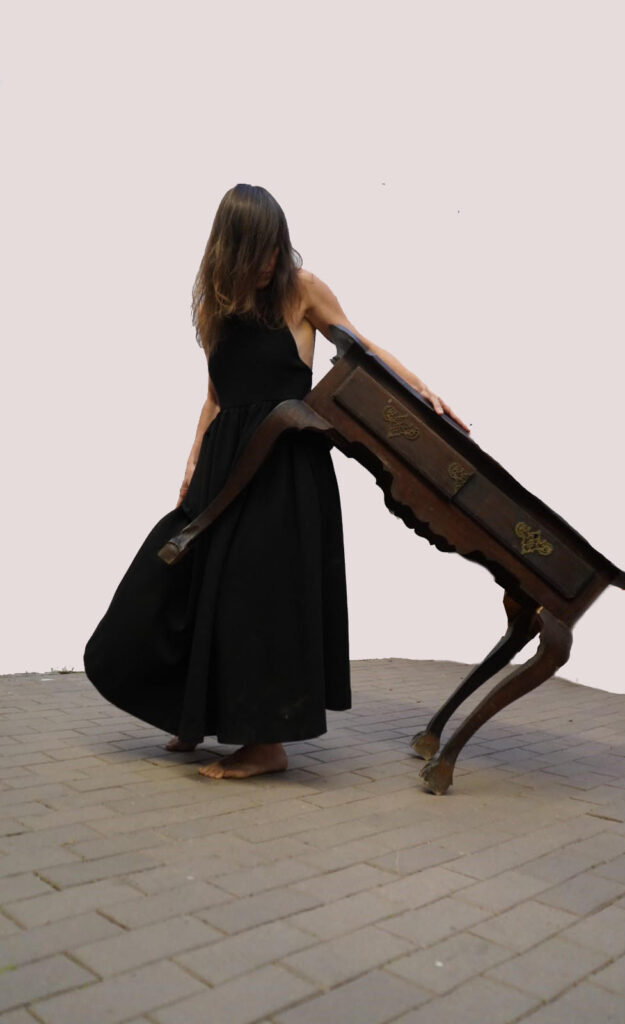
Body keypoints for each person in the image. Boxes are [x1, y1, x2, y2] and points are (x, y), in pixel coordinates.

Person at [83, 183, 469, 781]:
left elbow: (362, 351)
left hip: (285, 467)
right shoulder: (215, 306)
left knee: (256, 597)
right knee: (189, 584)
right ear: (232, 249)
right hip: (224, 465)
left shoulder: (301, 290)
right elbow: (216, 395)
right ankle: (193, 714)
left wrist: (422, 391)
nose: (271, 260)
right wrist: (191, 461)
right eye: (259, 249)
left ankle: (266, 747)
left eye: (276, 247)